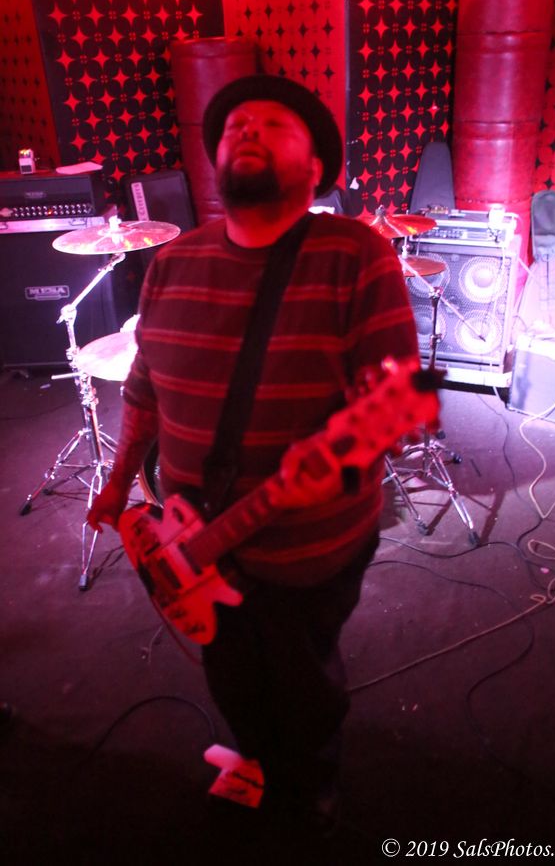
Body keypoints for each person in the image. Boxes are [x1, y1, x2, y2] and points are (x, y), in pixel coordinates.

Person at [87, 74, 419, 835]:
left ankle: (309, 791)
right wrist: (116, 482)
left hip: (307, 544)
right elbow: (144, 390)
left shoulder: (355, 255)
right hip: (188, 535)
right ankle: (256, 758)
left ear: (316, 169)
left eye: (274, 123)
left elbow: (395, 404)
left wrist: (345, 453)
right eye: (236, 123)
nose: (246, 128)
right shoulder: (172, 263)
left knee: (304, 679)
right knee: (229, 669)